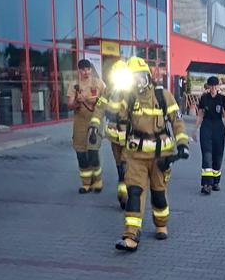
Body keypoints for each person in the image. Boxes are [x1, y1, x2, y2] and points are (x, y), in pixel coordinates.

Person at [114, 57, 189, 252]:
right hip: (135, 156)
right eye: (133, 78)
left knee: (158, 195)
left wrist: (182, 144)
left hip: (160, 157)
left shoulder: (163, 96)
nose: (137, 81)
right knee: (134, 194)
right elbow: (121, 129)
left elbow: (177, 121)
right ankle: (131, 235)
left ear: (148, 76)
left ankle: (161, 223)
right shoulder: (128, 99)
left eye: (139, 76)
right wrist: (121, 156)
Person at [92, 60, 133, 209]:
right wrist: (94, 125)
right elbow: (100, 107)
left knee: (125, 164)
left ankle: (125, 192)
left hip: (130, 135)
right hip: (115, 135)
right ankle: (123, 186)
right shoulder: (109, 90)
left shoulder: (134, 91)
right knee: (119, 165)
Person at [67, 59, 106, 194]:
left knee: (93, 151)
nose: (86, 72)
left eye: (88, 69)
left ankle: (98, 181)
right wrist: (77, 102)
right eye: (83, 69)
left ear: (91, 69)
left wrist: (89, 100)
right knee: (81, 154)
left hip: (95, 121)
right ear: (79, 71)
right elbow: (69, 104)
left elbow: (106, 101)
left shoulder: (99, 83)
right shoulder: (74, 85)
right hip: (80, 122)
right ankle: (86, 183)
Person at [191, 76, 225, 194]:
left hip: (218, 129)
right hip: (206, 127)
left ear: (218, 86)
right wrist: (195, 130)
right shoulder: (204, 98)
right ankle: (206, 184)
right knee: (207, 155)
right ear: (208, 86)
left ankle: (216, 182)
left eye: (216, 85)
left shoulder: (222, 98)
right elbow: (200, 115)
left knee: (218, 156)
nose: (214, 88)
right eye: (211, 85)